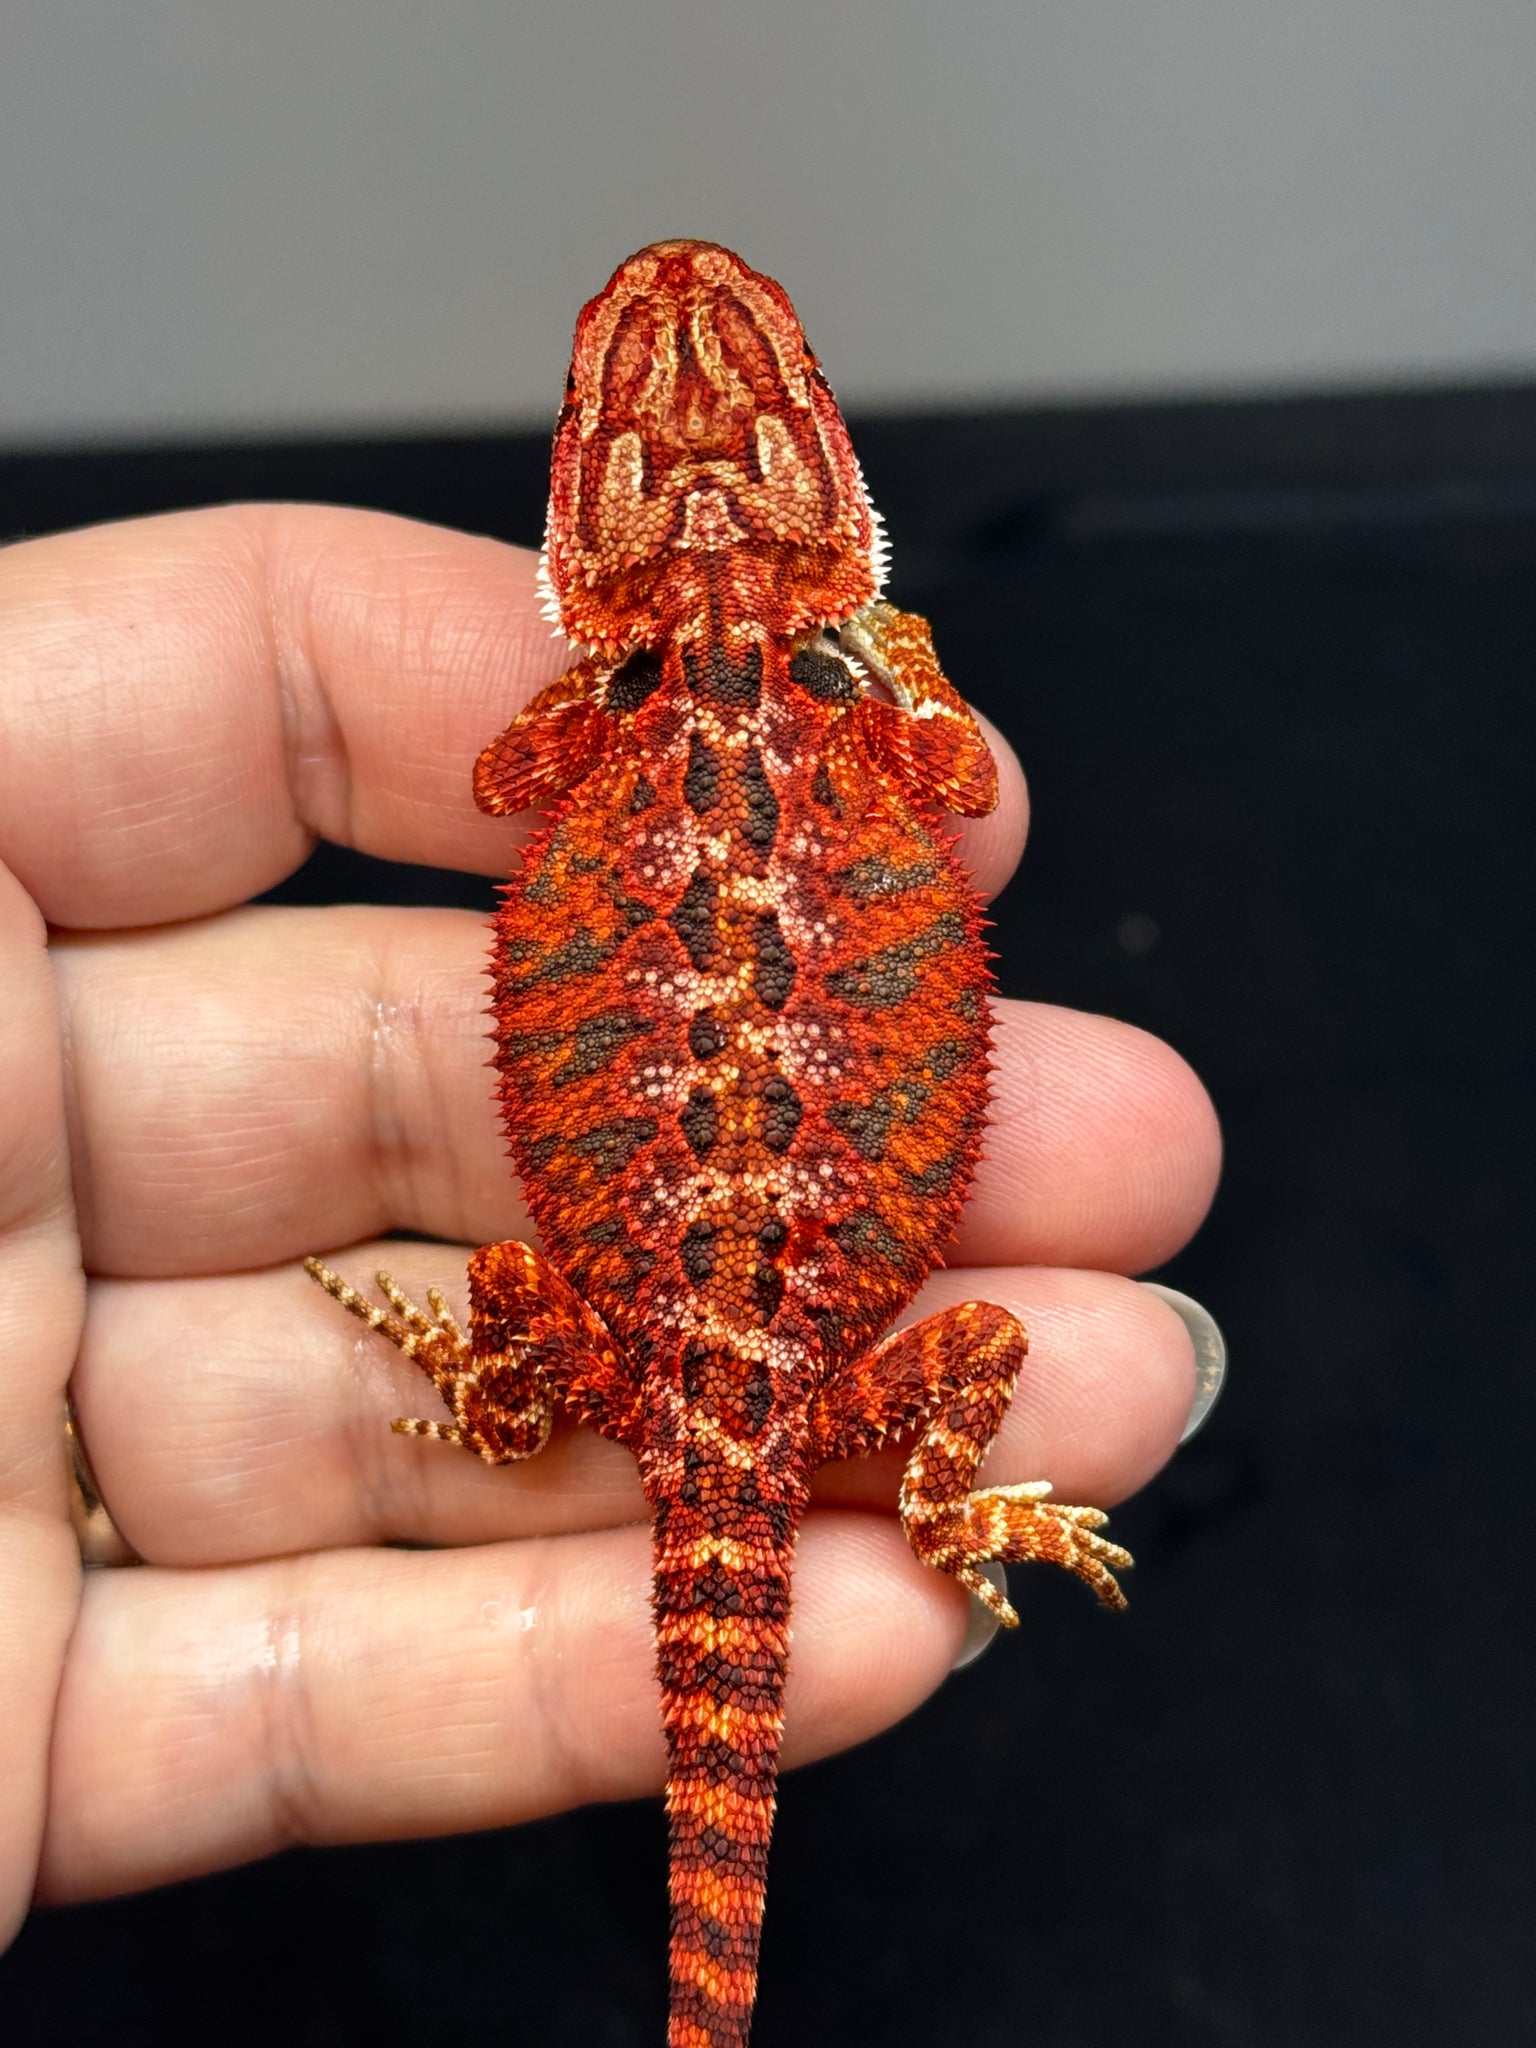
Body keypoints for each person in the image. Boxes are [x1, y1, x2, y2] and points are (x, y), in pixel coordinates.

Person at [0, 503, 1222, 1942]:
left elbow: (507, 772)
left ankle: (515, 1418)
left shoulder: (651, 715)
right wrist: (912, 666)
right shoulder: (849, 704)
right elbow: (956, 770)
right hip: (778, 1376)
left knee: (547, 1292)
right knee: (977, 1342)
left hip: (656, 1371)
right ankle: (935, 1507)